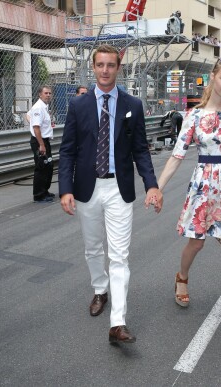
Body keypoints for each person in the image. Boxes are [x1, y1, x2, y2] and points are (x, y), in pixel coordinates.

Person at [58, 44, 163, 344]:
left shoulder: (133, 104)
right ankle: (99, 289)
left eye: (110, 65)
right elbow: (67, 151)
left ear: (118, 67)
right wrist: (65, 189)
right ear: (93, 67)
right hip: (87, 189)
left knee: (119, 255)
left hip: (119, 188)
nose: (105, 70)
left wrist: (151, 185)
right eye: (100, 65)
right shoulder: (79, 106)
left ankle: (118, 321)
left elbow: (141, 150)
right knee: (93, 248)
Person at [156, 57, 221, 353]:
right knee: (195, 244)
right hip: (203, 185)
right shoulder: (194, 116)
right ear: (213, 77)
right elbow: (176, 156)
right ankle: (181, 277)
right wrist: (156, 190)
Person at [29, 85, 55, 202]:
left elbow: (28, 115)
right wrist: (41, 145)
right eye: (46, 93)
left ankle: (44, 191)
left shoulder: (44, 107)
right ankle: (38, 195)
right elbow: (36, 128)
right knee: (41, 167)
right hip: (40, 141)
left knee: (48, 166)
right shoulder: (38, 107)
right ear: (40, 94)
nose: (48, 95)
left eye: (50, 93)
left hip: (45, 140)